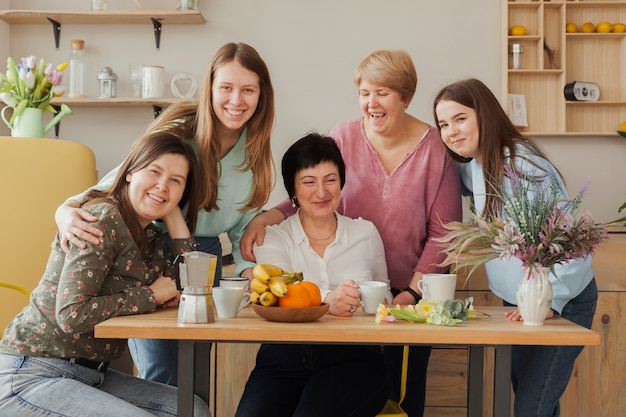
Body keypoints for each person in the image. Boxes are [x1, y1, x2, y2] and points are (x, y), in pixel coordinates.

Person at [241, 50, 462, 417]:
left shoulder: (435, 150)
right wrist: (267, 217)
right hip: (346, 298)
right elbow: (311, 185)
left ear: (405, 97)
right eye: (364, 92)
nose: (371, 103)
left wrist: (409, 294)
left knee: (402, 400)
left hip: (412, 295)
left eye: (383, 93)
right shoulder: (343, 136)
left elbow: (444, 234)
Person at [54, 42, 276, 385]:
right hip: (151, 253)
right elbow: (120, 181)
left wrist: (249, 267)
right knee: (164, 371)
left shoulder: (256, 149)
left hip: (206, 260)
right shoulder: (177, 131)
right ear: (210, 89)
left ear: (262, 96)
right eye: (226, 88)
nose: (236, 100)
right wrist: (65, 210)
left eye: (248, 90)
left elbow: (244, 222)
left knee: (197, 377)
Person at [0, 132, 210, 417]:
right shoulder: (101, 218)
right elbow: (72, 313)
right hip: (33, 370)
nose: (162, 186)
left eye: (176, 181)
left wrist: (173, 216)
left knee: (191, 409)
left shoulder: (149, 236)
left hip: (91, 374)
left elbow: (191, 284)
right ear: (129, 173)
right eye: (154, 172)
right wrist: (150, 295)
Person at [433, 78, 598, 417]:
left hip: (558, 301)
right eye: (443, 124)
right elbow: (442, 171)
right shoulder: (477, 164)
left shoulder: (522, 165)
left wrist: (550, 302)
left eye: (460, 118)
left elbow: (569, 242)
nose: (451, 131)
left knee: (531, 408)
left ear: (485, 114)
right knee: (531, 402)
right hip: (519, 301)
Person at [235, 133, 391, 417]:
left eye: (330, 180)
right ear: (292, 191)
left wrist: (368, 302)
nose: (321, 192)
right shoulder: (272, 238)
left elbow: (385, 298)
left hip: (355, 358)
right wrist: (329, 300)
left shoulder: (364, 233)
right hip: (283, 358)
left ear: (341, 183)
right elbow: (276, 295)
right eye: (309, 182)